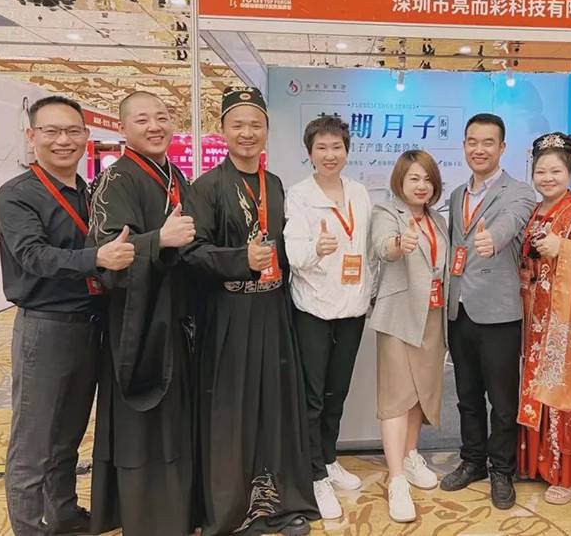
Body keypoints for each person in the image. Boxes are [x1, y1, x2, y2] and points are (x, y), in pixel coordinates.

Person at [0, 95, 135, 536]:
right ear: (31, 136)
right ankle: (28, 527)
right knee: (33, 442)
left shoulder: (90, 192)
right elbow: (33, 256)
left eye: (73, 131)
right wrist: (98, 258)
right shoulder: (18, 195)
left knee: (69, 435)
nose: (63, 140)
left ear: (86, 136)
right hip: (46, 327)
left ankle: (64, 514)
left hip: (89, 325)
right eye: (52, 131)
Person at [183, 87, 317, 535]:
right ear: (221, 130)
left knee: (274, 406)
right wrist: (242, 259)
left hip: (273, 310)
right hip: (230, 313)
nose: (247, 133)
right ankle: (232, 511)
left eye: (255, 125)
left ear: (267, 131)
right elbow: (191, 252)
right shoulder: (206, 187)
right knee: (232, 412)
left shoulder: (274, 184)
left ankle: (278, 502)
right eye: (237, 124)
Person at [87, 90, 197, 536]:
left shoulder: (176, 175)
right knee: (144, 425)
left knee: (177, 419)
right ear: (122, 128)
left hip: (176, 317)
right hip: (138, 321)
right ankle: (149, 518)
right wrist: (159, 241)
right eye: (142, 119)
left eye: (162, 117)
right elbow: (108, 253)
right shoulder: (117, 180)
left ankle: (180, 510)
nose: (155, 126)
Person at [439, 113, 536, 510]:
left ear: (502, 147)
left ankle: (502, 469)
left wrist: (492, 239)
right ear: (464, 145)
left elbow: (511, 223)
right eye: (472, 142)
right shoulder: (456, 194)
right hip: (459, 306)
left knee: (502, 399)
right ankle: (473, 460)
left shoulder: (520, 192)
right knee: (466, 394)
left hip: (498, 311)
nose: (479, 149)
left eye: (488, 142)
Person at [283, 116, 372, 520]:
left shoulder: (359, 192)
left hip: (353, 308)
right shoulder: (299, 195)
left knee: (338, 392)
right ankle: (314, 474)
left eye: (337, 147)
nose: (330, 155)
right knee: (313, 397)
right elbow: (293, 255)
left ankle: (329, 458)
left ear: (347, 151)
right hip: (314, 308)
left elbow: (365, 249)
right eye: (321, 148)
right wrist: (316, 249)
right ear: (310, 153)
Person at [516, 132, 571, 505]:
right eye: (541, 171)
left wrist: (564, 248)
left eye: (556, 171)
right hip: (532, 313)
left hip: (564, 317)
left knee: (563, 389)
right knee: (534, 384)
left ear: (569, 172)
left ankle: (568, 474)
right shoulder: (535, 210)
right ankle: (536, 463)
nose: (548, 178)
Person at [369, 150, 449, 522]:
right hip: (399, 316)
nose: (422, 185)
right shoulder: (387, 213)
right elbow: (383, 247)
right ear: (400, 180)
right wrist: (400, 245)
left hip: (432, 317)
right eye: (414, 178)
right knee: (396, 398)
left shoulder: (437, 219)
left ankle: (411, 455)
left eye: (428, 179)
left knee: (420, 394)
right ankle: (397, 478)